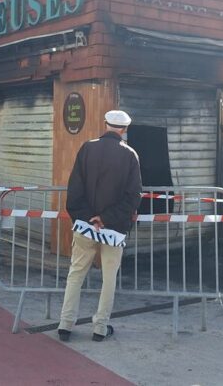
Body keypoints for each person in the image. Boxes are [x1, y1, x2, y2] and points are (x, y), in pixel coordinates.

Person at [58, 110, 142, 342]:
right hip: (114, 229)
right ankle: (100, 327)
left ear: (104, 124)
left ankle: (65, 324)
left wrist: (89, 218)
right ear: (124, 129)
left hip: (85, 227)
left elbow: (74, 191)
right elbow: (133, 196)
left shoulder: (87, 148)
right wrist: (106, 219)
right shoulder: (130, 155)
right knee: (109, 277)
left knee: (76, 274)